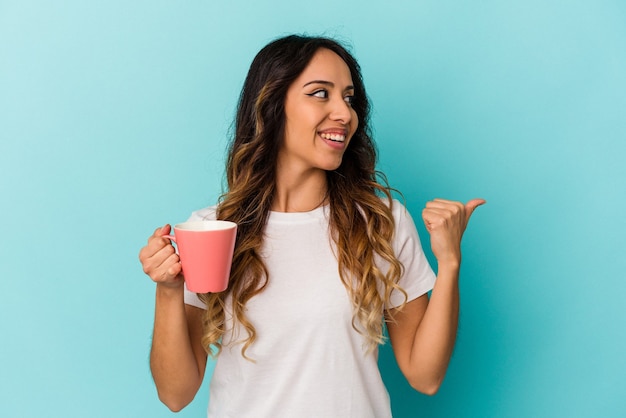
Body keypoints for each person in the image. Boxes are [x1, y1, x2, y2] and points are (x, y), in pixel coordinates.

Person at [139, 34, 485, 418]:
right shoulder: (213, 230)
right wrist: (169, 290)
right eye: (320, 93)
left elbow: (426, 376)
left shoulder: (378, 222)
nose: (344, 113)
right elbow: (176, 394)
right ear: (272, 105)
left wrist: (450, 261)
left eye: (349, 98)